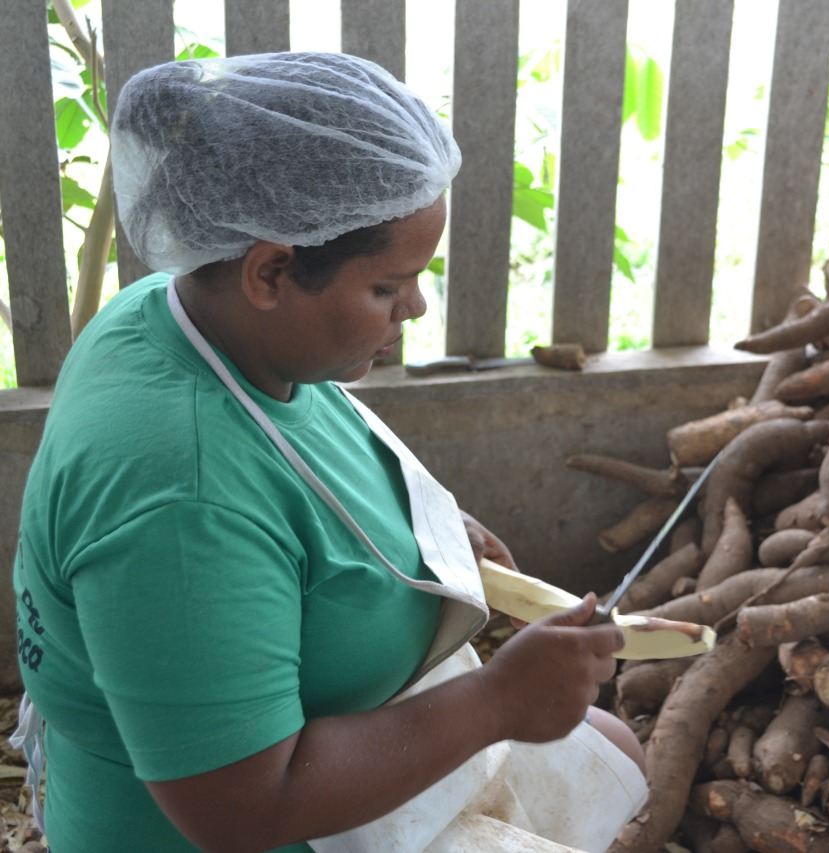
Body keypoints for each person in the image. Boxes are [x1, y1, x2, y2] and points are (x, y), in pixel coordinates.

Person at [12, 52, 645, 852]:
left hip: (328, 736)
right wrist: (495, 702)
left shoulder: (183, 311)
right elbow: (239, 808)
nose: (414, 305)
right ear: (271, 270)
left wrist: (424, 522)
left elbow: (298, 455)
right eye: (388, 286)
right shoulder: (179, 499)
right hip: (254, 818)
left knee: (613, 756)